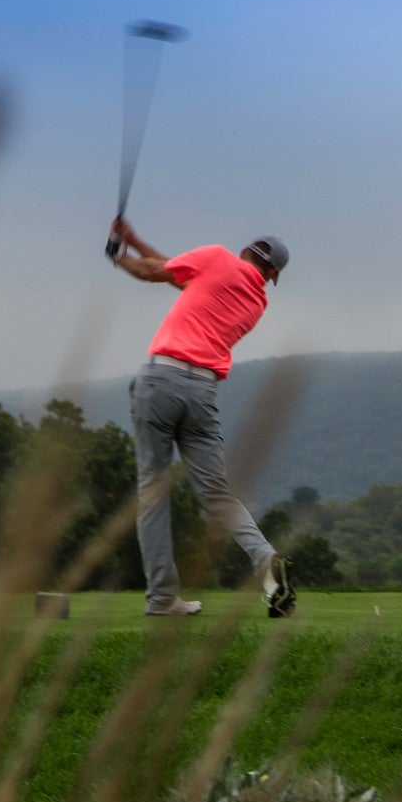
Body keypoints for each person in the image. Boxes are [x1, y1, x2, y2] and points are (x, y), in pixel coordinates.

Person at [109, 216, 296, 617]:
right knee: (216, 495)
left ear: (246, 249)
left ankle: (161, 598)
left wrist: (118, 256)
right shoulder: (256, 301)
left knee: (153, 495)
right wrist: (134, 240)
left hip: (161, 381)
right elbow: (178, 276)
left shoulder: (215, 258)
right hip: (202, 392)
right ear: (271, 273)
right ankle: (264, 558)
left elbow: (155, 272)